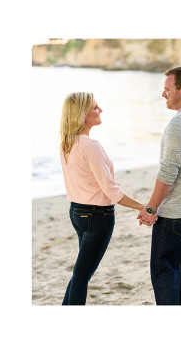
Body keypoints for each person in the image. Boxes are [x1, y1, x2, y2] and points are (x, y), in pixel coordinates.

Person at [59, 92, 148, 305]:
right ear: (82, 114)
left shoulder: (66, 143)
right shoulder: (90, 145)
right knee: (81, 276)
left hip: (77, 213)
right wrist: (142, 207)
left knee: (80, 274)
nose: (101, 110)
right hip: (97, 217)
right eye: (95, 107)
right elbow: (111, 191)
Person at [137, 66, 181, 305]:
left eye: (167, 90)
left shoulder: (180, 124)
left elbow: (168, 172)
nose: (163, 94)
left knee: (164, 270)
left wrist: (150, 208)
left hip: (177, 213)